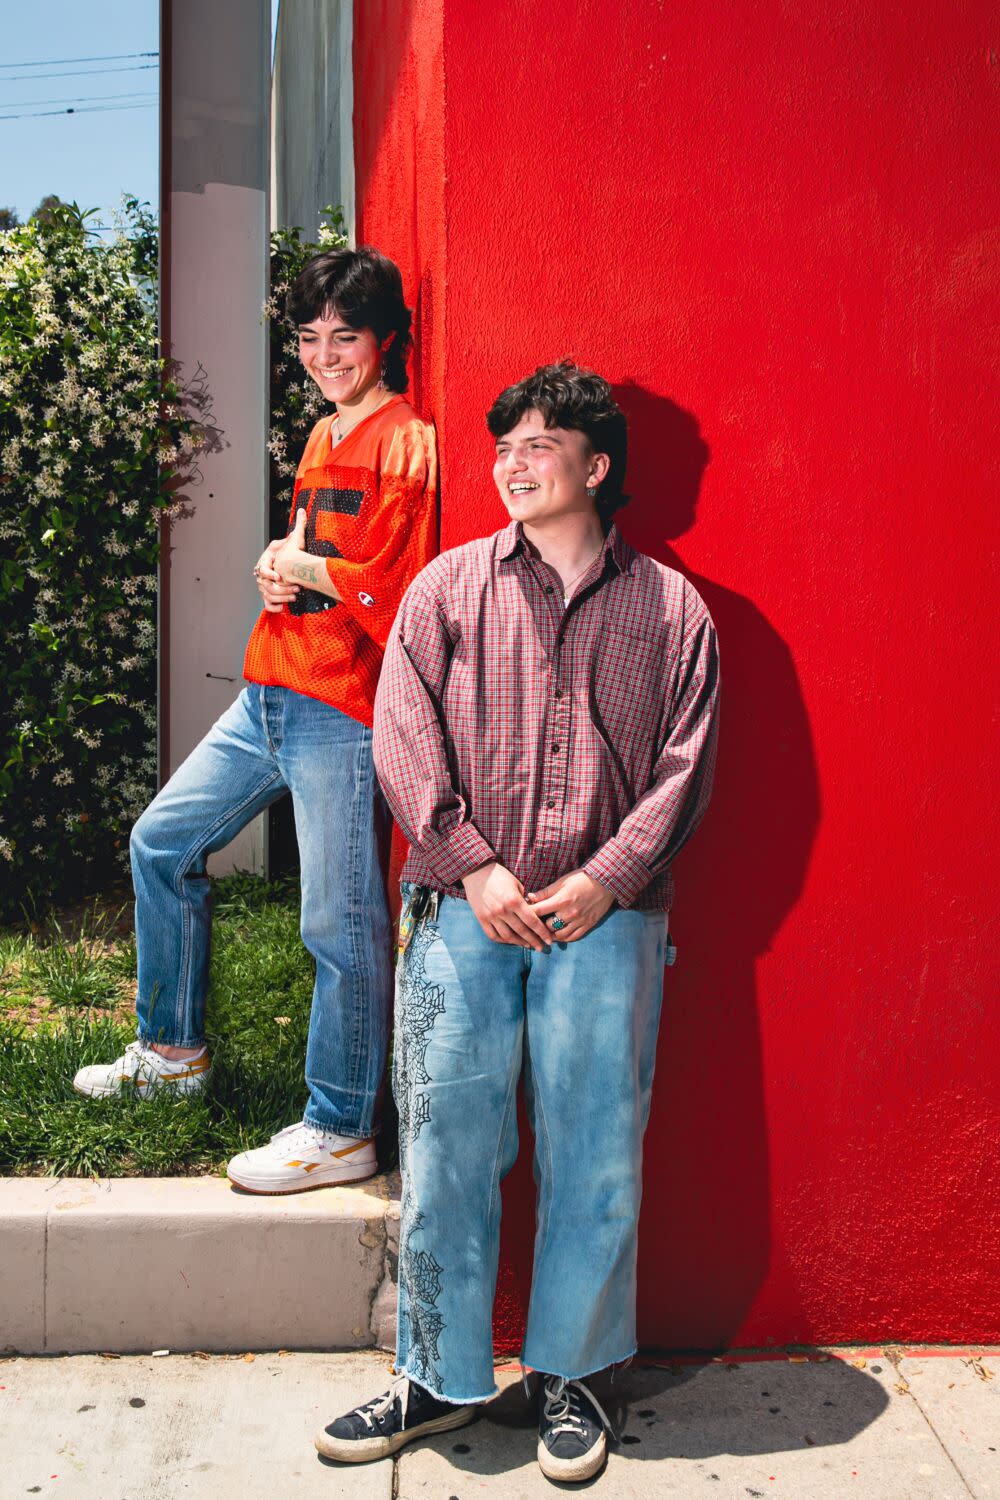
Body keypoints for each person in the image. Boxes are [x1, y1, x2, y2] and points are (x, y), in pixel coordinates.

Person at [317, 361, 719, 1481]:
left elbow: (683, 769)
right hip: (463, 913)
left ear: (596, 467)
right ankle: (435, 1380)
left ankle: (574, 1382)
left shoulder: (669, 610)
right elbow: (404, 738)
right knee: (447, 1147)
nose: (512, 462)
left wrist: (607, 877)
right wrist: (473, 869)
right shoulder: (446, 591)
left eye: (538, 443)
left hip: (608, 918)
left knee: (596, 1153)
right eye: (503, 446)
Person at [73, 247, 437, 1196]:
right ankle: (171, 1052)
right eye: (311, 340)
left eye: (343, 338)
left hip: (340, 708)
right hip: (269, 687)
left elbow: (401, 594)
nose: (325, 357)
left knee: (340, 919)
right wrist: (282, 563)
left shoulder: (409, 441)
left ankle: (342, 1124)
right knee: (161, 842)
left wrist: (306, 569)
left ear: (386, 339)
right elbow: (321, 558)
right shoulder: (322, 437)